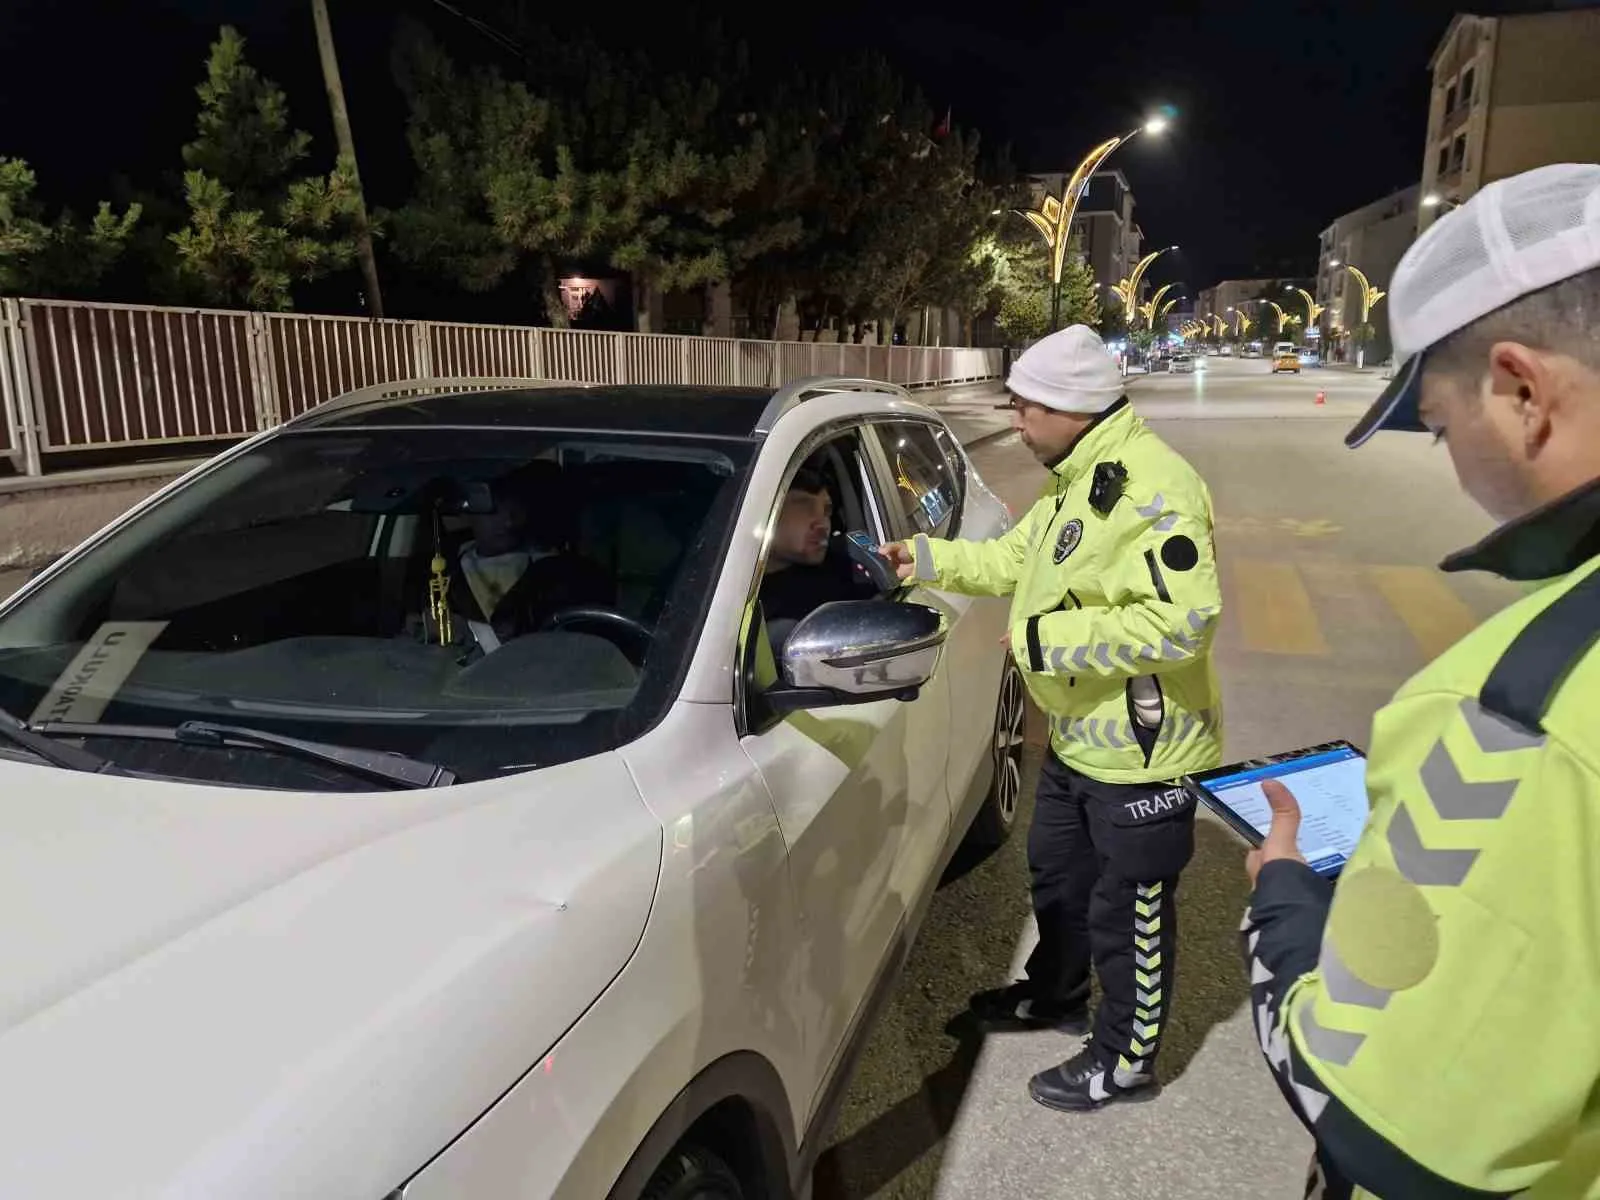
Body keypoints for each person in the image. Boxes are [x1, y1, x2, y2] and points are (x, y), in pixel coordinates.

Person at [1241, 163, 1600, 1196]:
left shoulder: (1521, 710)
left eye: (1440, 429)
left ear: (1520, 389)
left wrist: (1282, 903)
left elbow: (1378, 1120)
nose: (1451, 468)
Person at [880, 323, 1224, 1111]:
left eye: (1026, 405)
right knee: (1059, 880)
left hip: (1145, 751)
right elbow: (1014, 560)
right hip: (1077, 737)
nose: (1015, 416)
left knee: (1129, 912)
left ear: (1072, 408)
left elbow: (1184, 622)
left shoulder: (1153, 489)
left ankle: (1124, 1059)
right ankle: (1058, 994)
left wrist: (1044, 639)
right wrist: (923, 558)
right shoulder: (1077, 476)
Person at [431, 462, 612, 650]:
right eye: (494, 511)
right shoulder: (441, 572)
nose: (509, 522)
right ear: (470, 510)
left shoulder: (564, 576)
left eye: (516, 511)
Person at [760, 467, 876, 649]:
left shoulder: (845, 573)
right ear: (767, 512)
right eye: (804, 506)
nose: (823, 524)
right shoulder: (723, 591)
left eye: (827, 510)